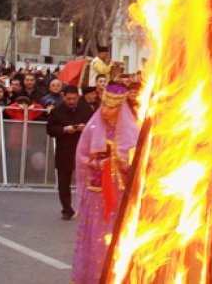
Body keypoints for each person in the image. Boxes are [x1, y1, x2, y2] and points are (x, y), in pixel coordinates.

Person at [71, 84, 139, 283]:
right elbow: (82, 157)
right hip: (96, 194)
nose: (107, 111)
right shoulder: (93, 128)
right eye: (105, 106)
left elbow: (135, 165)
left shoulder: (131, 132)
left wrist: (122, 163)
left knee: (114, 237)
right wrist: (97, 163)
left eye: (112, 108)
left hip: (118, 196)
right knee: (94, 239)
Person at [46, 86, 93, 220]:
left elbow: (94, 125)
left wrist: (86, 129)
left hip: (83, 149)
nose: (71, 101)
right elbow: (50, 130)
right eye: (68, 99)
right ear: (63, 97)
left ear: (78, 97)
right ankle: (67, 209)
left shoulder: (86, 109)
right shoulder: (56, 111)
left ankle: (86, 208)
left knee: (86, 181)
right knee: (64, 183)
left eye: (74, 99)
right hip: (65, 149)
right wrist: (65, 130)